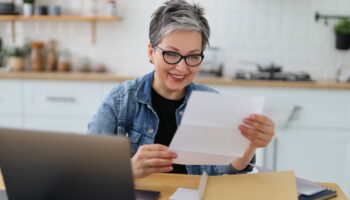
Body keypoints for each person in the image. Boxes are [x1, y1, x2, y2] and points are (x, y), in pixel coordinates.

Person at [88, 0, 275, 178]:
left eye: (193, 56)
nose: (182, 68)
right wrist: (128, 169)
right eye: (171, 54)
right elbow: (89, 168)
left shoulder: (212, 103)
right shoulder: (120, 100)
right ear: (151, 52)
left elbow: (226, 172)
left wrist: (250, 145)